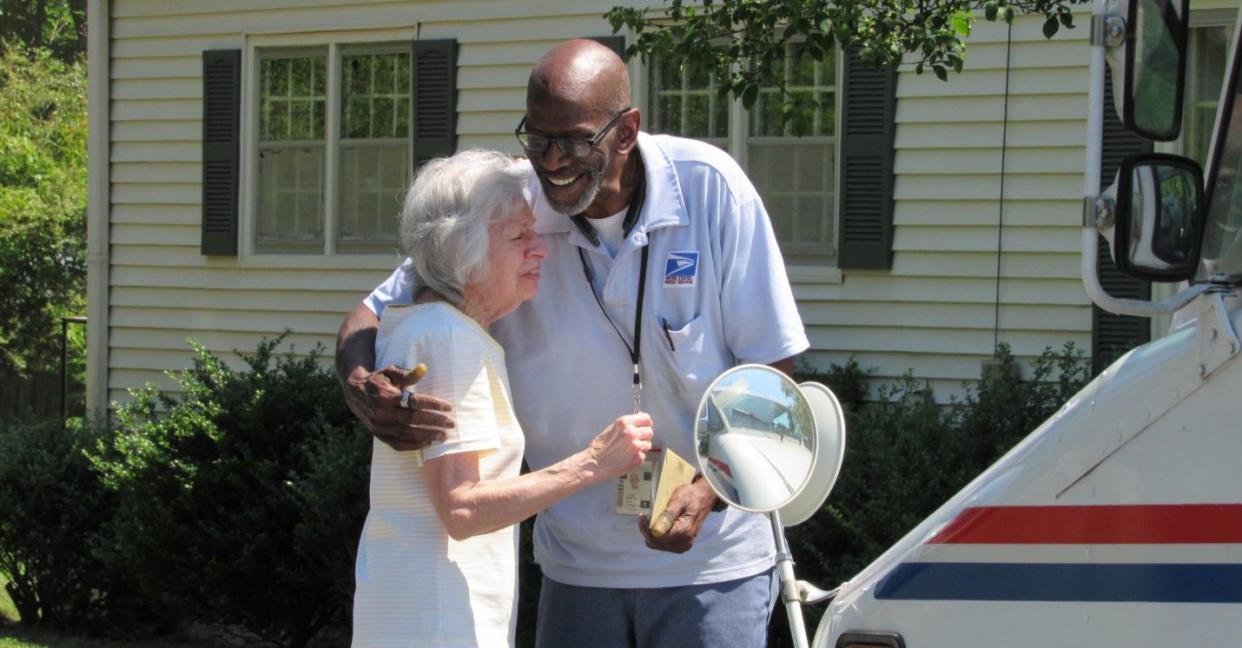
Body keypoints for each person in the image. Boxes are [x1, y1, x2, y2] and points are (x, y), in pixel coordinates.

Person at [336, 40, 809, 647]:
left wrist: (710, 489)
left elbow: (773, 371)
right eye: (537, 139)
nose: (553, 160)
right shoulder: (513, 204)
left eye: (575, 140)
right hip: (575, 570)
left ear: (627, 130)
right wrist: (358, 382)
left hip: (712, 566)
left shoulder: (711, 190)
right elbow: (375, 313)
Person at [351, 148, 654, 647]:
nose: (541, 250)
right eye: (518, 237)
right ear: (459, 251)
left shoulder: (432, 329)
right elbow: (462, 508)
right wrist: (594, 463)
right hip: (438, 621)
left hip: (418, 611)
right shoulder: (447, 340)